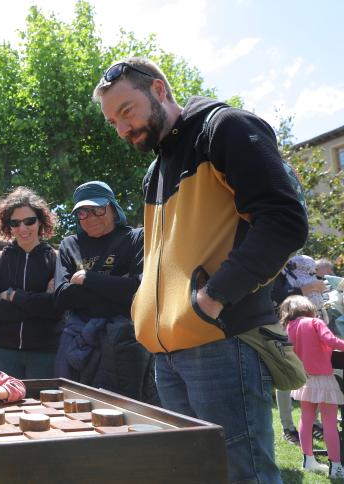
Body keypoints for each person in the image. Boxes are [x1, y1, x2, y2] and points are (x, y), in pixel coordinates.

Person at [95, 58, 308, 483]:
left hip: (220, 342)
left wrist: (212, 299)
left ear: (159, 90)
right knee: (194, 474)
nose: (122, 129)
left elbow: (283, 221)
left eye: (126, 111)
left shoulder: (224, 127)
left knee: (243, 476)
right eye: (113, 121)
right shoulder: (154, 170)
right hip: (165, 352)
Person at [54, 181, 157, 404]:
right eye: (82, 212)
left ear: (112, 208)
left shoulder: (136, 238)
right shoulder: (70, 244)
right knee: (75, 411)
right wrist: (115, 285)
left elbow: (138, 291)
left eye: (97, 209)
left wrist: (87, 278)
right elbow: (61, 296)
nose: (90, 217)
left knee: (123, 413)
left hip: (124, 344)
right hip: (78, 343)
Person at [0, 187, 62, 379]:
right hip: (1, 353)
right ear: (8, 226)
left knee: (44, 409)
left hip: (45, 354)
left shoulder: (57, 260)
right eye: (15, 223)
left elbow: (57, 309)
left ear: (41, 221)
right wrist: (41, 303)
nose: (23, 228)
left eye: (29, 221)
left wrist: (13, 296)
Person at [281, 295, 344, 478]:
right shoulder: (315, 322)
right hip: (323, 379)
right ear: (307, 306)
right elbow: (331, 340)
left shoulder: (289, 326)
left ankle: (308, 460)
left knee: (305, 419)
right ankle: (336, 466)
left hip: (304, 379)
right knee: (330, 422)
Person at [271, 255, 326, 445]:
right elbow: (277, 295)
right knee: (285, 377)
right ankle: (288, 427)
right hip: (285, 328)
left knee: (314, 374)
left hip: (312, 327)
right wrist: (309, 288)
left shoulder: (297, 269)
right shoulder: (275, 268)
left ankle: (312, 423)